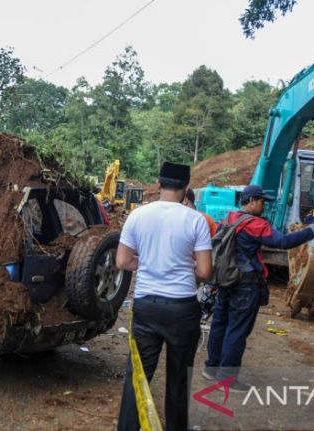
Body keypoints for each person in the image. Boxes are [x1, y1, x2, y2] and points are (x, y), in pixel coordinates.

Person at [115, 162, 212, 431]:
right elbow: (204, 270)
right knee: (179, 378)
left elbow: (122, 261)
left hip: (147, 306)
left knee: (138, 375)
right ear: (186, 188)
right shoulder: (196, 220)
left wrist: (146, 264)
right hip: (182, 308)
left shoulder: (137, 215)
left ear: (158, 184)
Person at [203, 184, 314, 390]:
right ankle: (227, 377)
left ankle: (211, 368)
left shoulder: (229, 219)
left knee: (220, 324)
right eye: (262, 201)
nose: (264, 206)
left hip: (225, 280)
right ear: (252, 201)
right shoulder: (255, 224)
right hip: (245, 284)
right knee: (237, 330)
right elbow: (284, 242)